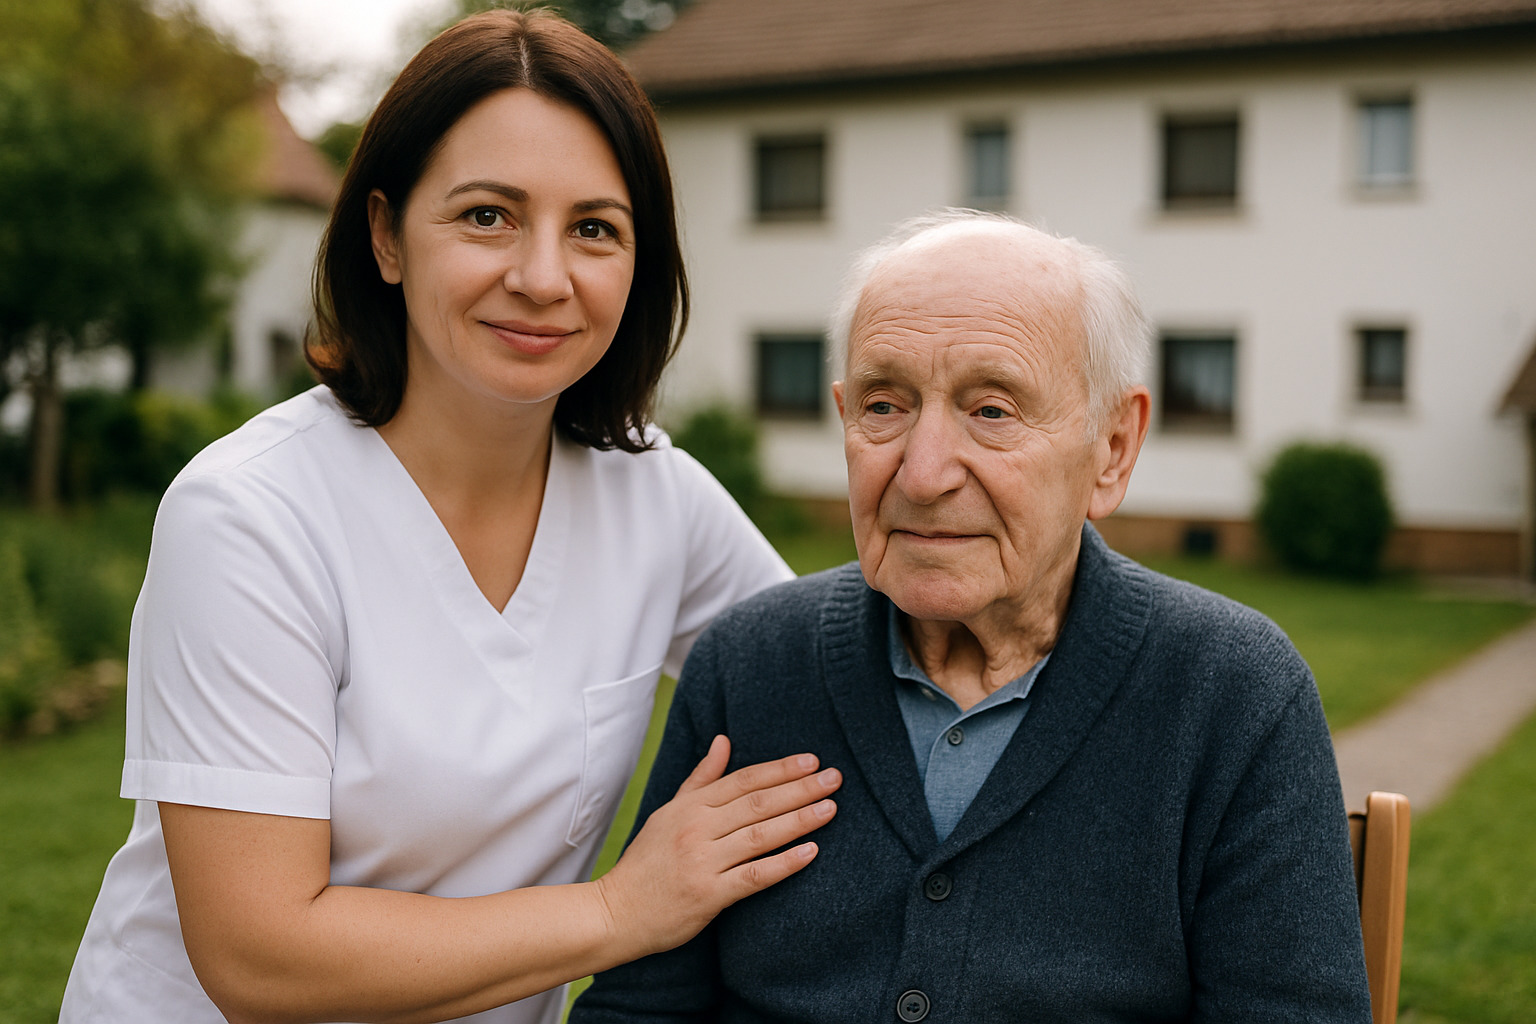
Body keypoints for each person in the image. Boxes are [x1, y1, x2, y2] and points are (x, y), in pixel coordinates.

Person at [60, 11, 841, 1024]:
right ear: (385, 235)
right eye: (488, 216)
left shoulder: (658, 497)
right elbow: (260, 954)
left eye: (595, 228)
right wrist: (621, 908)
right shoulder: (247, 516)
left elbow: (844, 683)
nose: (544, 277)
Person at [571, 210, 1373, 1023]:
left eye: (992, 410)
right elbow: (639, 1009)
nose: (922, 474)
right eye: (885, 406)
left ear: (1114, 448)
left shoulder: (1233, 694)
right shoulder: (747, 665)